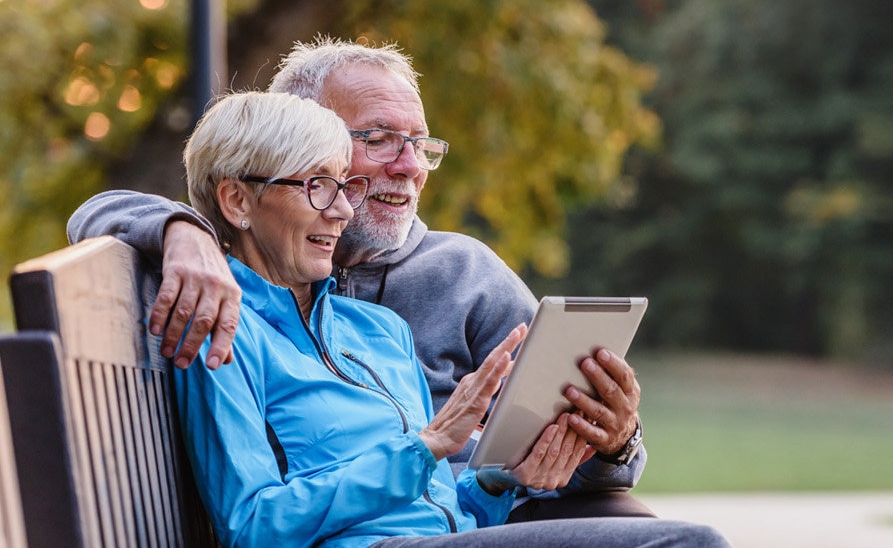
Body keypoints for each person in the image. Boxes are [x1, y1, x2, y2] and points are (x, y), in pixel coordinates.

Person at [70, 38, 652, 520]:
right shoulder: (229, 301)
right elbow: (95, 212)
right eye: (377, 140)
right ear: (302, 136)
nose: (410, 166)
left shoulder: (447, 284)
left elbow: (570, 463)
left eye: (420, 145)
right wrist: (182, 230)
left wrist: (611, 444)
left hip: (481, 518)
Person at [174, 91, 726, 548]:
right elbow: (250, 526)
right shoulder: (221, 329)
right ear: (238, 202)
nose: (342, 209)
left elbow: (440, 510)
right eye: (317, 186)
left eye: (345, 186)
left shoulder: (377, 332)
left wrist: (499, 481)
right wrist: (428, 444)